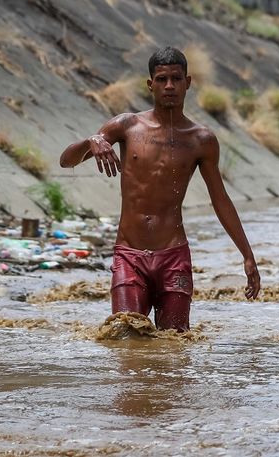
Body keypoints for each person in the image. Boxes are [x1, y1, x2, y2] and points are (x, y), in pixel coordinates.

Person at [59, 46, 260, 331]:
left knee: (175, 348)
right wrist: (90, 141)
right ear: (150, 84)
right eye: (162, 79)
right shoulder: (126, 125)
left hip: (174, 257)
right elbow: (66, 161)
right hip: (129, 255)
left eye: (176, 79)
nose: (169, 86)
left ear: (187, 83)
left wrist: (247, 255)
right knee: (125, 339)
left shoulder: (201, 139)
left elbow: (221, 200)